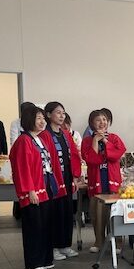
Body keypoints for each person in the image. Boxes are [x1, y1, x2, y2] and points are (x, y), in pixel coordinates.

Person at [9, 105, 65, 269]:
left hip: (45, 188)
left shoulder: (39, 139)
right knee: (34, 226)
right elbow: (22, 168)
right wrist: (30, 190)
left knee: (45, 225)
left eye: (42, 118)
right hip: (33, 190)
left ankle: (45, 259)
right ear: (29, 120)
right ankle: (34, 264)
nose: (42, 122)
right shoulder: (24, 140)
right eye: (38, 118)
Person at [81, 109, 126, 253]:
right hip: (97, 182)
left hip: (112, 181)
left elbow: (116, 155)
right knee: (97, 214)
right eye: (98, 120)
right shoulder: (87, 141)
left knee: (115, 214)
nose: (102, 123)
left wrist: (105, 141)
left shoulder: (114, 138)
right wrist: (95, 140)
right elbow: (91, 160)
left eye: (104, 119)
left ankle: (118, 242)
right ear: (92, 123)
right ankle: (99, 241)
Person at [44, 102, 82, 260]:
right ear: (48, 115)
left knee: (67, 212)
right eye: (58, 112)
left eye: (63, 113)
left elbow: (74, 155)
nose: (61, 116)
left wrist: (76, 176)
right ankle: (53, 247)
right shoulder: (45, 134)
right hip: (53, 180)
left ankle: (65, 245)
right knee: (55, 213)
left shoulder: (66, 134)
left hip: (67, 178)